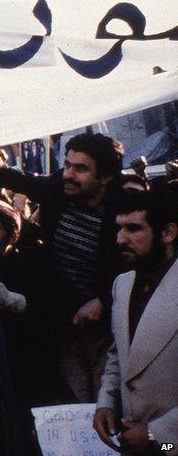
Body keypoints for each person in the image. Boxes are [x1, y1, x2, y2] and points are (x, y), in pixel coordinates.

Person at [0, 133, 127, 403]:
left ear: (105, 177)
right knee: (77, 405)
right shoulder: (60, 188)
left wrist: (103, 300)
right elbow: (19, 179)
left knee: (108, 404)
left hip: (110, 331)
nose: (68, 174)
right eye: (68, 164)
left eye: (80, 168)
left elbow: (136, 266)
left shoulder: (126, 210)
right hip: (63, 325)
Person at [94, 190, 178, 454]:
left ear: (168, 233)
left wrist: (157, 435)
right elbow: (119, 354)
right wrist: (106, 401)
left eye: (133, 229)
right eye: (118, 228)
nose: (120, 239)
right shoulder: (123, 283)